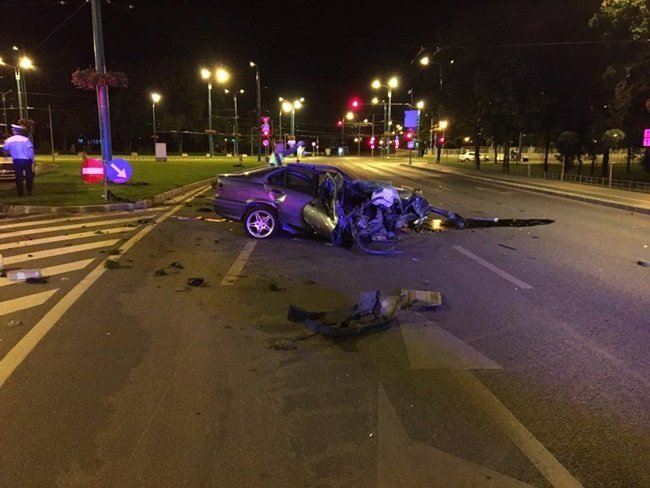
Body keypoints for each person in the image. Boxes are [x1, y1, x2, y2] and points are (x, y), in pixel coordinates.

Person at [2, 124, 35, 197]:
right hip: (27, 160)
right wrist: (32, 160)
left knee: (19, 177)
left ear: (14, 131)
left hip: (16, 160)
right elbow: (31, 150)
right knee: (29, 176)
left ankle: (20, 193)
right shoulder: (26, 139)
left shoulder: (9, 140)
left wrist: (8, 155)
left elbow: (4, 150)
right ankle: (29, 191)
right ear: (20, 131)